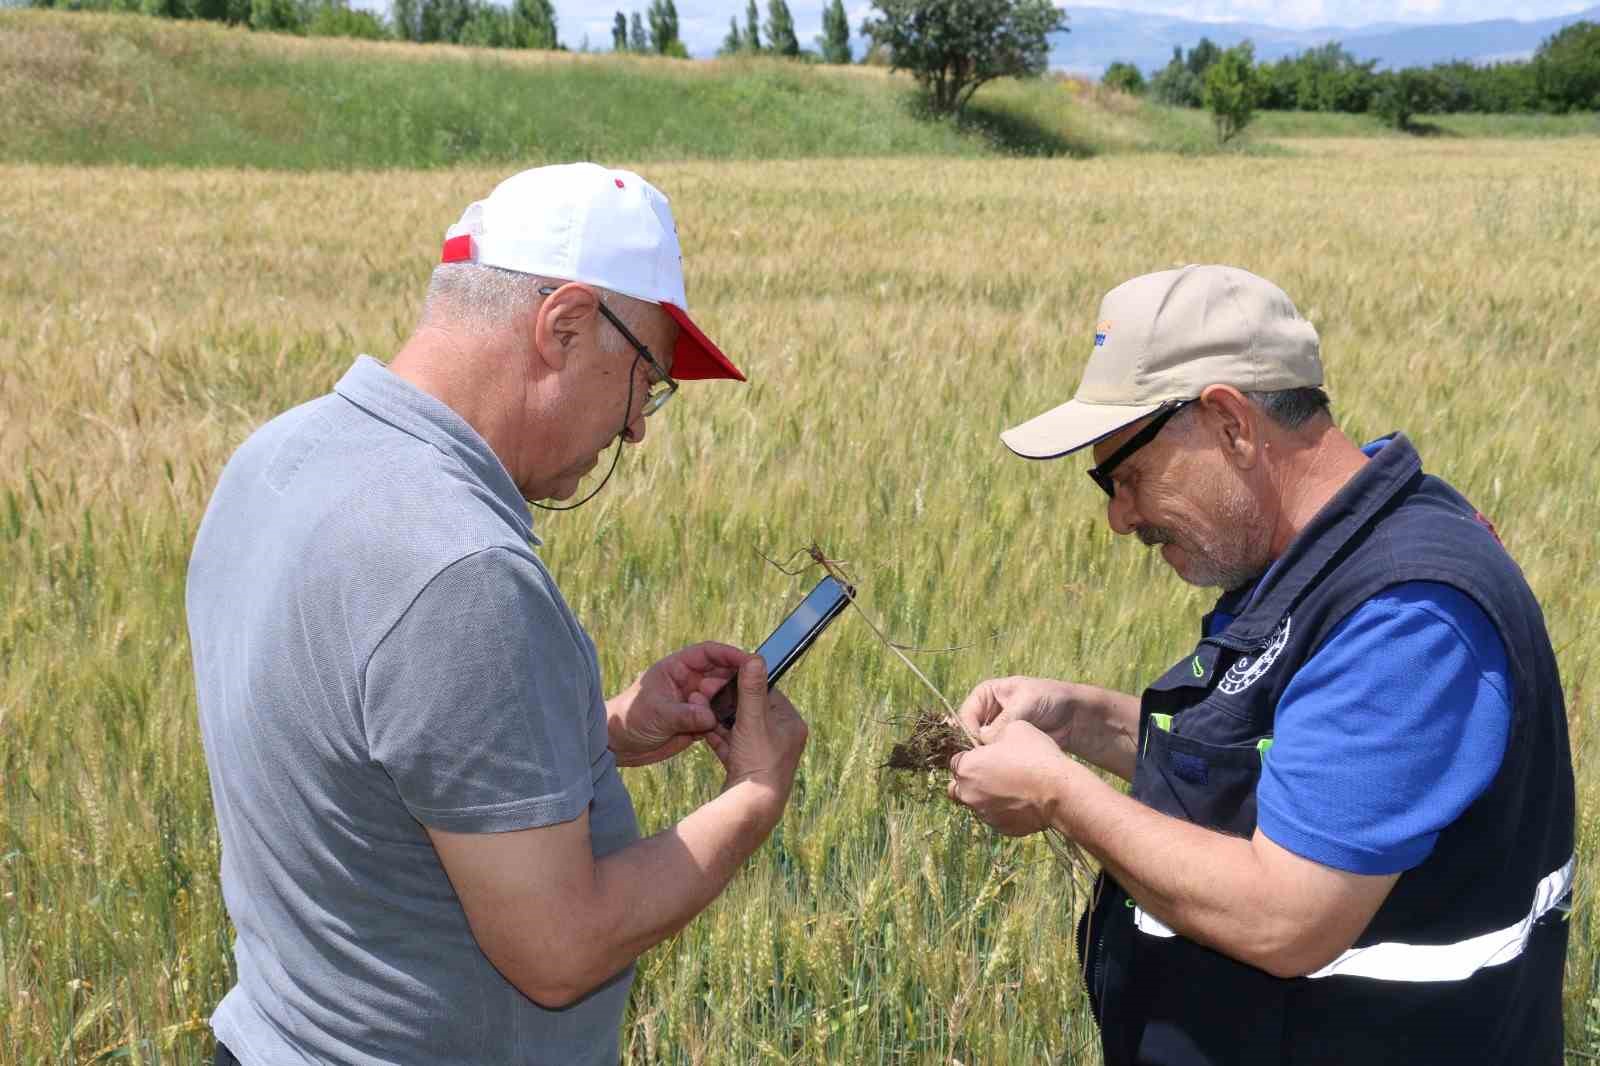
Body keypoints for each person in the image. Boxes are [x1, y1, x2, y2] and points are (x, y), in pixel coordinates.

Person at [186, 163, 808, 1066]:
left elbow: (375, 760)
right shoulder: (460, 569)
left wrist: (604, 735)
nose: (637, 427)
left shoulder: (278, 456)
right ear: (564, 325)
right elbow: (559, 951)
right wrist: (755, 795)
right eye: (648, 379)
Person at [946, 264, 1573, 1065]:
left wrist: (1059, 792)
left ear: (1231, 423)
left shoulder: (1407, 615)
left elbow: (1288, 918)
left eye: (1124, 476)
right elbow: (1299, 768)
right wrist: (1082, 720)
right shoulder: (1333, 555)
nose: (1118, 516)